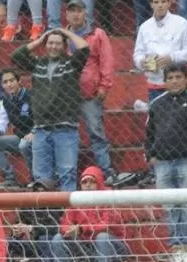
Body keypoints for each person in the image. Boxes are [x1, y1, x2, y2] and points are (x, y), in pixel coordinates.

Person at [10, 28, 90, 193]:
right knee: (41, 177)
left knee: (67, 173)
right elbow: (16, 56)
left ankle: (68, 215)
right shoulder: (38, 63)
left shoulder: (71, 64)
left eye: (58, 43)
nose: (53, 46)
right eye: (50, 43)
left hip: (65, 128)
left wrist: (66, 32)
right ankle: (45, 215)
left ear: (64, 45)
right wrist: (39, 40)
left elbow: (84, 48)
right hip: (41, 129)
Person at [144, 64, 187, 250]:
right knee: (170, 206)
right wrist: (150, 155)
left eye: (178, 77)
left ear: (186, 79)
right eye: (170, 78)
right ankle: (175, 242)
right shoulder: (157, 104)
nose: (174, 81)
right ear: (164, 81)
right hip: (163, 163)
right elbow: (149, 132)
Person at [66, 0, 115, 183]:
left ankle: (106, 171)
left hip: (91, 94)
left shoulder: (97, 34)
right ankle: (71, 174)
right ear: (67, 14)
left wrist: (104, 86)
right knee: (69, 135)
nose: (76, 15)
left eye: (79, 11)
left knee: (96, 133)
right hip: (66, 96)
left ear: (85, 13)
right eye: (72, 11)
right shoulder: (62, 36)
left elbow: (107, 61)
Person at [52, 165, 128, 262]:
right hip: (87, 247)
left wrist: (81, 229)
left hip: (114, 248)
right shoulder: (76, 201)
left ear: (99, 182)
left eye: (92, 181)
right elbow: (65, 223)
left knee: (102, 237)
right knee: (58, 238)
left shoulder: (109, 199)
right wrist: (69, 230)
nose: (87, 185)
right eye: (84, 182)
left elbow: (106, 226)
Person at [132, 0, 187, 103]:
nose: (160, 5)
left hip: (177, 83)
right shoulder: (144, 27)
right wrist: (142, 62)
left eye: (163, 1)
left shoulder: (182, 23)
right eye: (156, 2)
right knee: (158, 117)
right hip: (154, 84)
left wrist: (172, 58)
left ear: (169, 3)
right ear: (151, 4)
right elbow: (137, 54)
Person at [0, 69, 34, 190]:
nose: (9, 84)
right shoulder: (6, 100)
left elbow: (42, 117)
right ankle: (10, 179)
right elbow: (3, 120)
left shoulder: (31, 96)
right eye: (5, 82)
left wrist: (34, 132)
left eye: (12, 80)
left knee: (24, 145)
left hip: (38, 135)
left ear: (19, 81)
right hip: (21, 136)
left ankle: (35, 179)